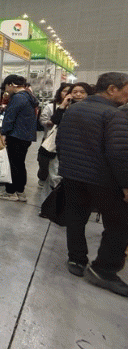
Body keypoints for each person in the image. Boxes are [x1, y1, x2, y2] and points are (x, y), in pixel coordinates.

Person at [57, 72, 128, 296]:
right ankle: (104, 269)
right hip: (103, 179)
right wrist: (126, 184)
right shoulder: (114, 114)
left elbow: (60, 141)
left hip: (72, 175)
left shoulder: (73, 110)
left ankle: (76, 259)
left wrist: (67, 167)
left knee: (76, 219)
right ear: (112, 89)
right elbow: (119, 153)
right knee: (119, 224)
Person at [0, 74, 39, 202]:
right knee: (19, 164)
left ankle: (10, 192)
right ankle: (20, 191)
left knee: (13, 165)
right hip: (25, 136)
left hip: (16, 135)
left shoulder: (18, 97)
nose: (6, 90)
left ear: (12, 84)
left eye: (6, 87)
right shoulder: (29, 96)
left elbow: (10, 118)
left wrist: (4, 133)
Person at [37, 83, 71, 201]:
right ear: (60, 92)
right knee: (44, 164)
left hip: (67, 144)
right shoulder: (52, 106)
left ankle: (54, 194)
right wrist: (50, 123)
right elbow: (43, 120)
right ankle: (43, 180)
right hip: (50, 139)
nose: (67, 94)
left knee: (56, 170)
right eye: (65, 91)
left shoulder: (77, 107)